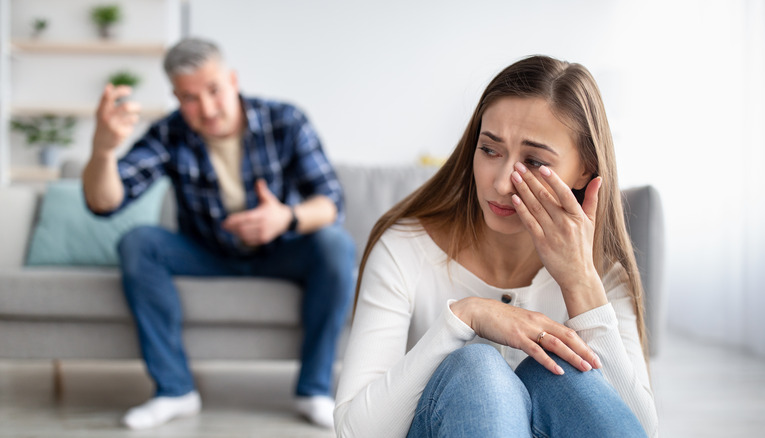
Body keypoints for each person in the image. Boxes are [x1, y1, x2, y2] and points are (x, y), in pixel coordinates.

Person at [334, 55, 659, 437]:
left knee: (564, 372)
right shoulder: (404, 250)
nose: (503, 183)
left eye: (534, 161)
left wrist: (581, 284)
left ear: (585, 168)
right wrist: (464, 319)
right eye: (489, 150)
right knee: (478, 370)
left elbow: (641, 430)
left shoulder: (602, 274)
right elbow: (355, 431)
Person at [82, 38, 355, 430]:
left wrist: (286, 218)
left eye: (214, 90)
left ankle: (313, 389)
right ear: (176, 96)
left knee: (335, 243)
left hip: (282, 250)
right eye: (190, 98)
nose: (207, 109)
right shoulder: (169, 134)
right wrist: (104, 151)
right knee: (138, 242)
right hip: (205, 252)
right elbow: (104, 202)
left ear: (232, 80)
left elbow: (331, 202)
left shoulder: (286, 120)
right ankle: (175, 391)